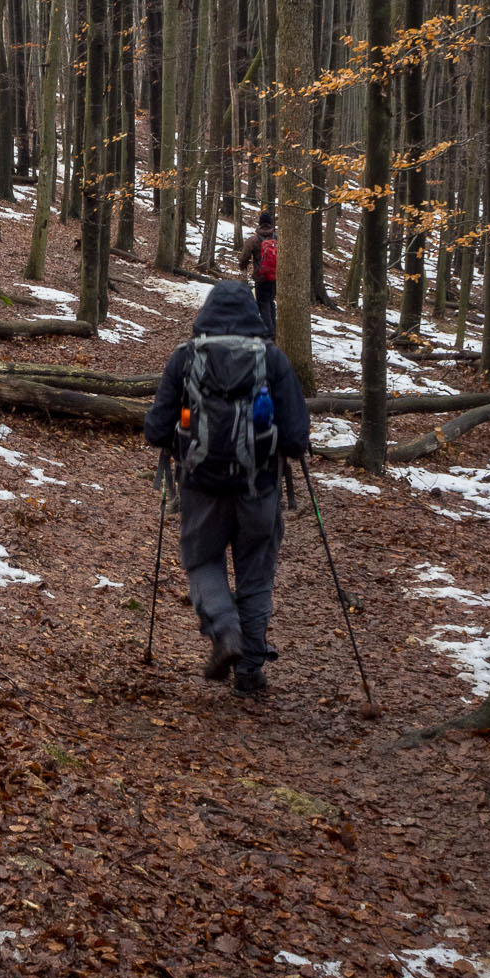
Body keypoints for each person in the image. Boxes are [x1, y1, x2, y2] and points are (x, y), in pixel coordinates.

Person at [144, 280, 311, 695]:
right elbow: (295, 438)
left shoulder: (185, 358)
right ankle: (250, 674)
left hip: (201, 487)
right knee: (256, 574)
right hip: (260, 487)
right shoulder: (272, 360)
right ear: (253, 316)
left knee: (203, 563)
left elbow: (155, 429)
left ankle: (225, 633)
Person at [238, 210, 279, 336]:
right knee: (270, 302)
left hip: (261, 278)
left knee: (263, 304)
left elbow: (244, 258)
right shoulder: (277, 238)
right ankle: (274, 330)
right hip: (275, 277)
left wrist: (243, 267)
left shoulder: (254, 240)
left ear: (260, 224)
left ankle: (269, 334)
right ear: (270, 224)